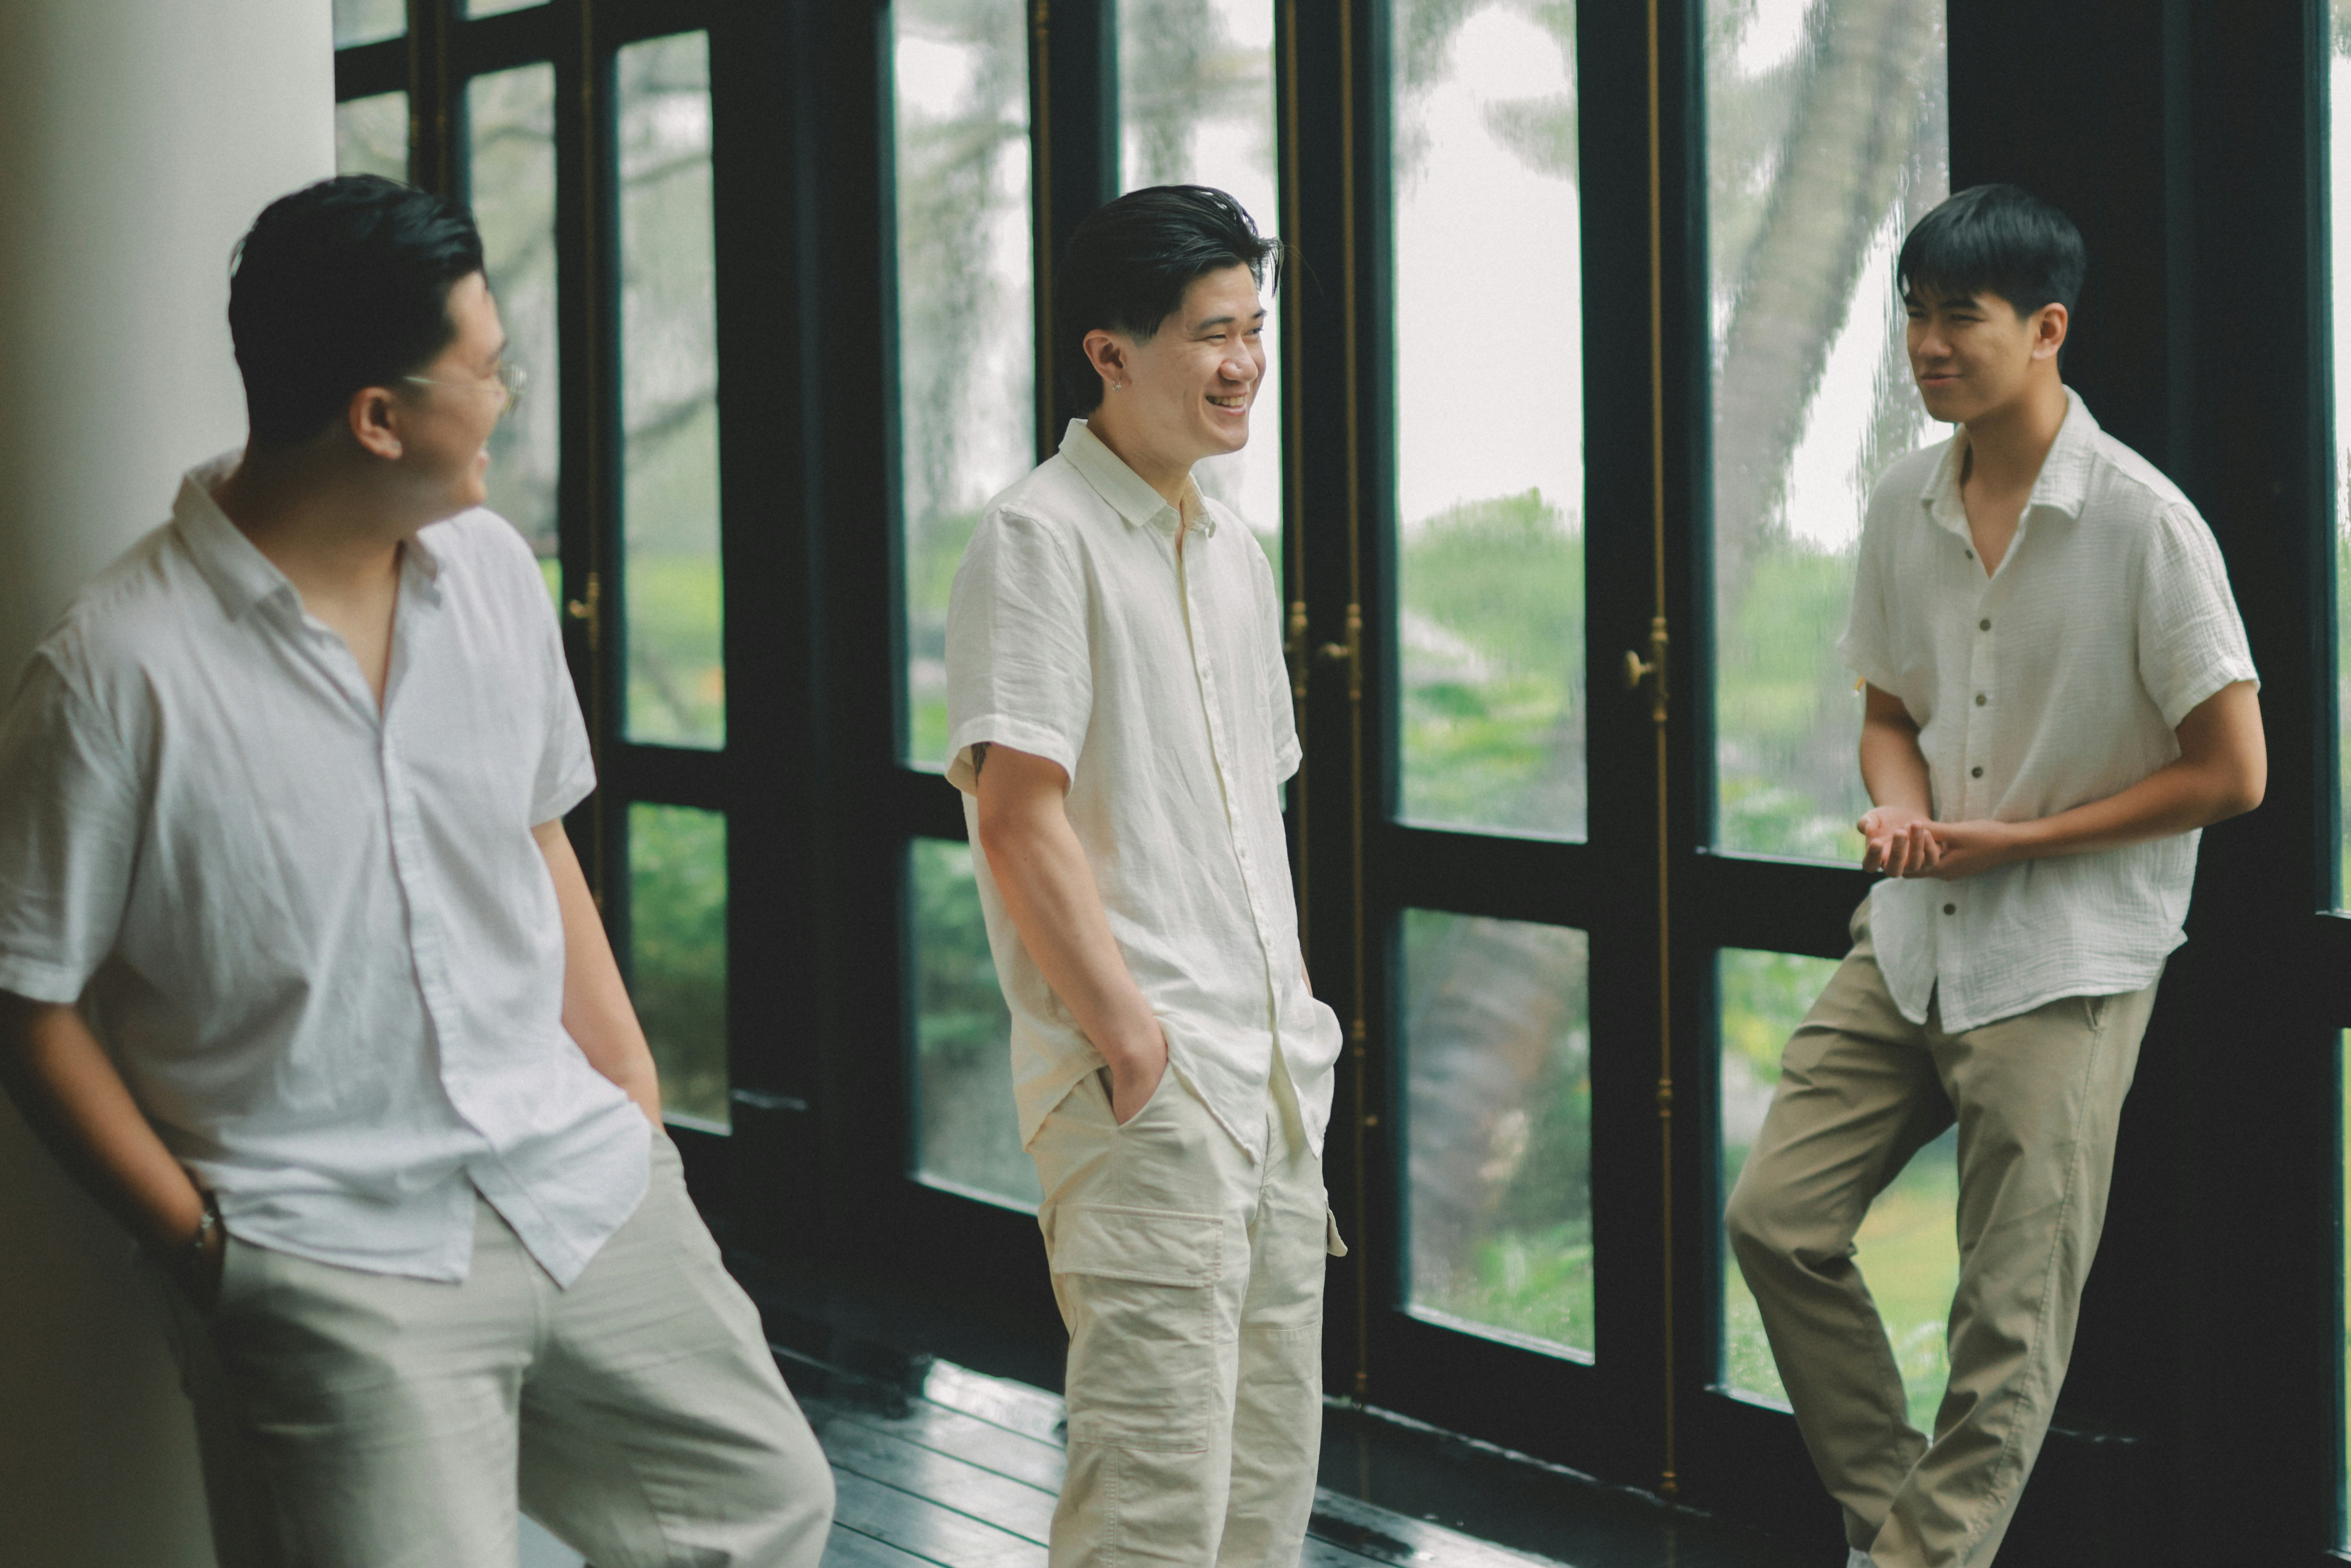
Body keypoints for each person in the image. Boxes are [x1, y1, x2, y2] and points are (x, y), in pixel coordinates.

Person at [0, 175, 834, 1567]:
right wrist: (210, 1253)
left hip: (574, 1180)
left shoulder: (495, 572)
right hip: (328, 1248)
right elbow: (30, 999)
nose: (507, 398)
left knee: (761, 1509)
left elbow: (531, 830)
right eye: (488, 372)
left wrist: (630, 1097)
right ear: (378, 418)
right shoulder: (114, 668)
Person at [1723, 183, 2266, 1568]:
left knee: (2006, 1316)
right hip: (1909, 936)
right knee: (1775, 1221)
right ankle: (1907, 1524)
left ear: (2045, 329)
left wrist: (2012, 841)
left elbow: (2233, 770)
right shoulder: (1903, 503)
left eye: (1955, 316)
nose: (1925, 344)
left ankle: (1916, 1558)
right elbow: (1887, 705)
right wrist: (1902, 816)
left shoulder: (2145, 524)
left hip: (2063, 966)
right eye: (1910, 314)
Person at [943, 184, 1345, 1568]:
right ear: (1107, 352)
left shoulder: (1231, 545)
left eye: (1253, 328)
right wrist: (1132, 1043)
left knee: (1261, 1492)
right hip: (1153, 1092)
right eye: (1208, 334)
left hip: (1273, 1080)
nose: (1243, 364)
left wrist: (1288, 1023)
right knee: (1153, 1504)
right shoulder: (1038, 537)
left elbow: (1247, 814)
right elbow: (1016, 816)